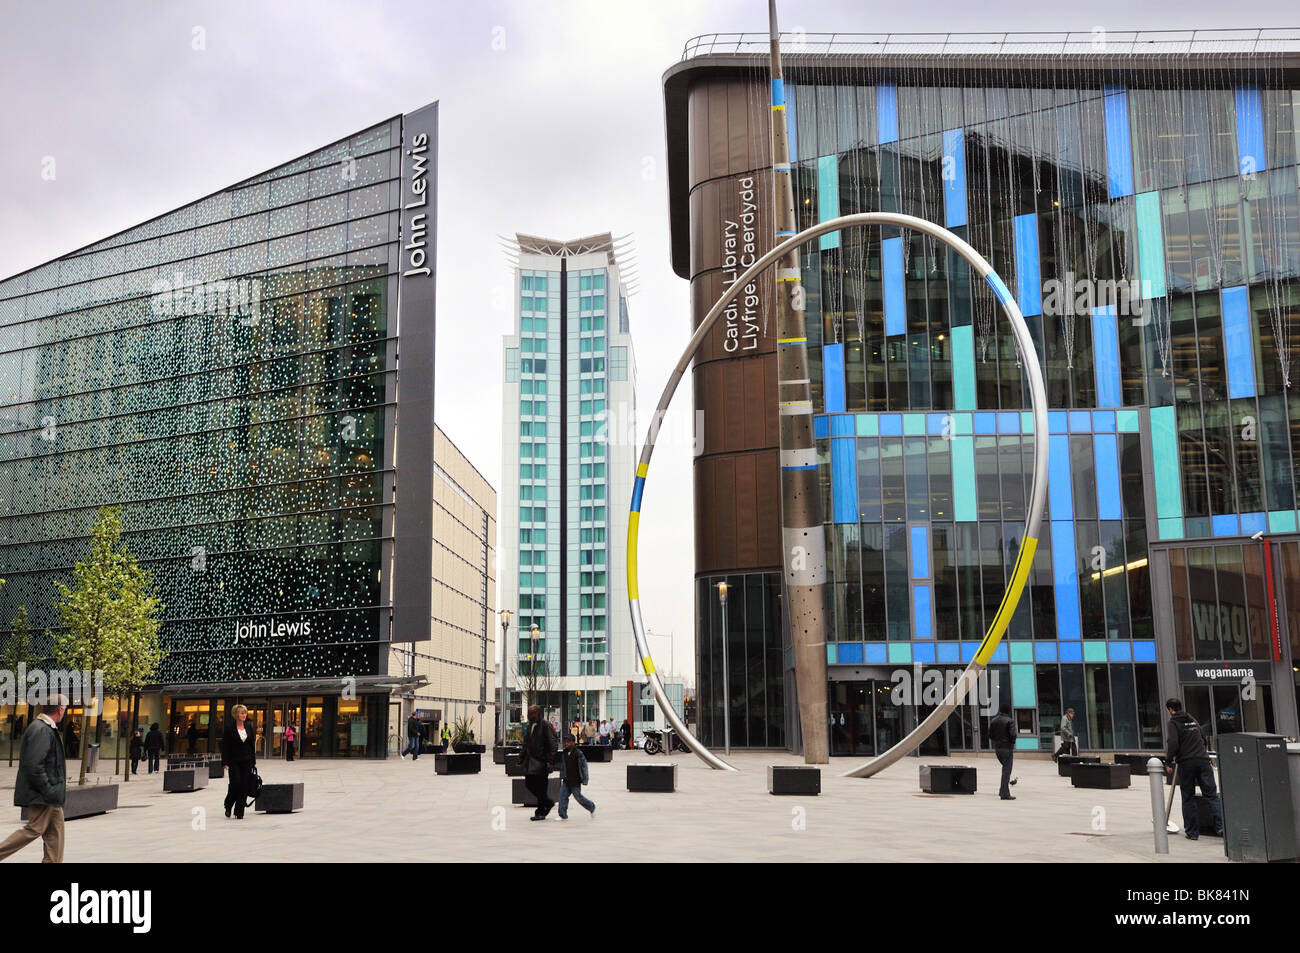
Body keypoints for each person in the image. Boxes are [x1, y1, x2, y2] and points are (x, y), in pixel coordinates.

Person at [0, 694, 68, 863]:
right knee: (33, 829)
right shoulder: (41, 729)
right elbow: (33, 765)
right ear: (60, 710)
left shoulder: (45, 727)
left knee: (55, 837)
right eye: (65, 709)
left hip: (51, 795)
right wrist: (48, 789)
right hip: (43, 795)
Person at [1165, 698, 1224, 840]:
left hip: (1187, 763)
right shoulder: (1192, 718)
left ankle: (1192, 833)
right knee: (1211, 795)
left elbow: (1173, 742)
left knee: (1188, 797)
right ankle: (1221, 827)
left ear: (1170, 710)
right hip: (1203, 760)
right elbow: (1203, 738)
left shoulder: (1173, 722)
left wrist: (1168, 761)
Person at [521, 705, 559, 820]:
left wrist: (550, 761)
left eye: (534, 713)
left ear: (539, 713)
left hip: (542, 762)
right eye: (530, 713)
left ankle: (541, 811)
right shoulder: (530, 726)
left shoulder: (545, 725)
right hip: (531, 762)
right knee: (529, 784)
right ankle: (548, 803)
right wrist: (521, 758)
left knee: (541, 787)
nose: (531, 715)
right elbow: (526, 744)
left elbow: (553, 744)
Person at [221, 704, 257, 820]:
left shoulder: (249, 727)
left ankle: (239, 811)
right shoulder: (229, 728)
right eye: (242, 713)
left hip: (247, 760)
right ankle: (228, 805)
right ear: (236, 715)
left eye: (245, 713)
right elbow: (225, 746)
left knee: (244, 785)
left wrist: (253, 761)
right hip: (234, 761)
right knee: (235, 784)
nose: (244, 715)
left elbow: (252, 745)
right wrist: (225, 761)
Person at [558, 733, 596, 820]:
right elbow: (562, 766)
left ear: (573, 742)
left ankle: (591, 807)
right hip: (566, 780)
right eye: (565, 742)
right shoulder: (564, 753)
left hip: (575, 781)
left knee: (579, 798)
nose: (566, 744)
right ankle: (563, 815)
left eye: (568, 742)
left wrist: (585, 779)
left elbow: (584, 766)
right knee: (562, 797)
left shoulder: (578, 753)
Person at [988, 703, 1017, 801]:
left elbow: (990, 735)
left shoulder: (994, 720)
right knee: (1006, 771)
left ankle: (1002, 791)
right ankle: (1004, 793)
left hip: (998, 748)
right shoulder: (1010, 721)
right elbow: (1013, 735)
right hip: (1007, 748)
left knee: (1005, 769)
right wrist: (1011, 743)